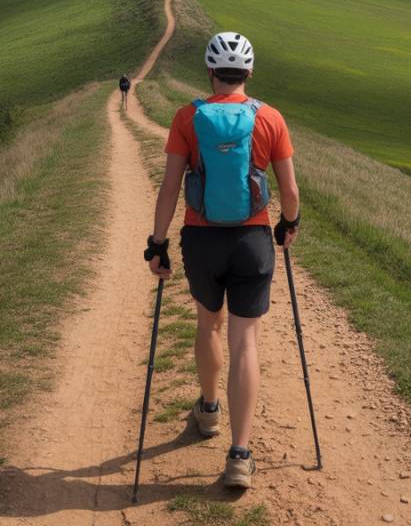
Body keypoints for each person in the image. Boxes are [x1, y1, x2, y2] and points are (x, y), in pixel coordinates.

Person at [143, 31, 300, 489]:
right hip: (252, 239)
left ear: (210, 71)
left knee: (208, 323)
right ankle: (239, 454)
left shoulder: (187, 118)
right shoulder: (270, 118)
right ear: (249, 72)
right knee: (246, 342)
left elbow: (170, 187)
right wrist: (288, 224)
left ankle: (208, 410)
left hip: (201, 239)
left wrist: (158, 244)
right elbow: (289, 192)